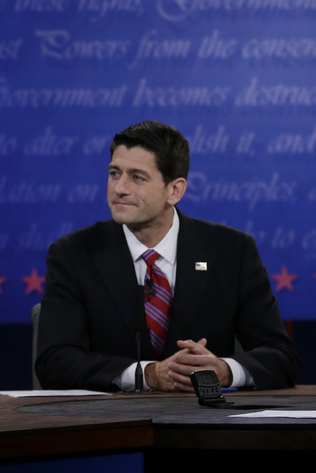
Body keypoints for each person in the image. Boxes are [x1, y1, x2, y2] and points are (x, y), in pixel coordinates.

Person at [35, 120, 300, 393]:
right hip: (113, 426)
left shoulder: (232, 251)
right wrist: (147, 374)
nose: (119, 188)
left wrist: (225, 371)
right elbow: (54, 362)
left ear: (174, 190)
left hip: (207, 427)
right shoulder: (73, 254)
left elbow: (281, 357)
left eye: (137, 177)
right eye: (115, 173)